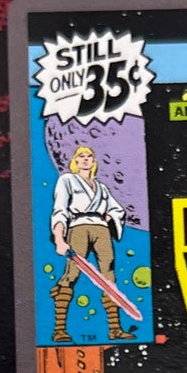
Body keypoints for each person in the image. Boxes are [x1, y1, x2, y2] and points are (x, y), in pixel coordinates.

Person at [49, 143, 130, 343]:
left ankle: (115, 329)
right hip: (78, 227)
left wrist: (109, 217)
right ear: (75, 161)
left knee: (108, 275)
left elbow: (117, 209)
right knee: (72, 273)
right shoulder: (67, 180)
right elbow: (60, 209)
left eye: (89, 157)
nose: (86, 159)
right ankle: (59, 330)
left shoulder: (101, 188)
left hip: (101, 229)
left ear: (94, 162)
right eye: (81, 156)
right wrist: (59, 238)